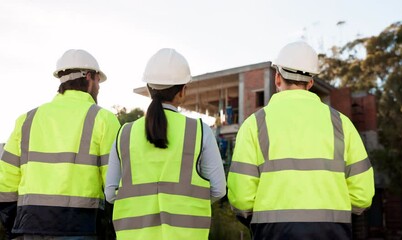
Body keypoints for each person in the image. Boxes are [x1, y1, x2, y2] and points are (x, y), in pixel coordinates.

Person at [227, 40, 375, 240]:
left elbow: (241, 199)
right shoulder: (341, 124)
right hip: (333, 232)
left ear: (277, 78)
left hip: (273, 233)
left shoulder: (255, 124)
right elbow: (363, 195)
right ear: (311, 83)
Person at [105, 48, 226, 239]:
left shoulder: (125, 134)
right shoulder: (200, 131)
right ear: (183, 91)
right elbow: (218, 189)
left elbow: (111, 193)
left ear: (148, 87)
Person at [0, 49, 121, 239]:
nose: (99, 87)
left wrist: (16, 225)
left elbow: (6, 183)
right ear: (89, 77)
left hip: (29, 226)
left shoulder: (27, 119)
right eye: (98, 80)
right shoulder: (103, 118)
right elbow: (115, 186)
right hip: (81, 226)